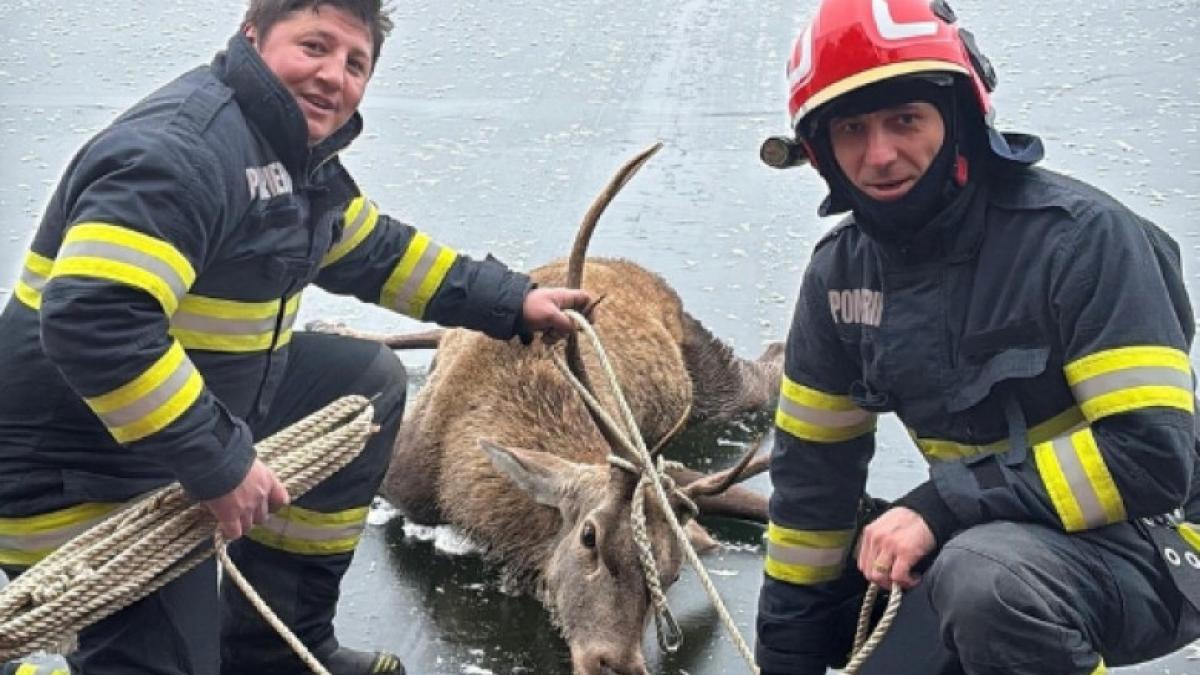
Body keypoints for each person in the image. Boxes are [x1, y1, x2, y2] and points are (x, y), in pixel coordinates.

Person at [0, 1, 591, 674]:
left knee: (361, 388)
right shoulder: (182, 152)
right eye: (314, 46)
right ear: (252, 36)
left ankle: (277, 648)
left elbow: (377, 250)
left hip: (179, 421)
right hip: (76, 462)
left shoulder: (292, 160)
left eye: (355, 63)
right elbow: (95, 319)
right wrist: (219, 462)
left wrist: (514, 302)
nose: (334, 76)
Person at [754, 0, 1200, 673]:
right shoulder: (839, 277)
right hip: (996, 538)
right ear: (819, 152)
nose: (880, 155)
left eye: (905, 120)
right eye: (852, 129)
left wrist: (941, 505)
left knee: (983, 582)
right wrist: (782, 657)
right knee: (888, 598)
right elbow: (811, 491)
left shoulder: (1081, 242)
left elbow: (1152, 459)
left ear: (960, 118)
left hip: (1160, 543)